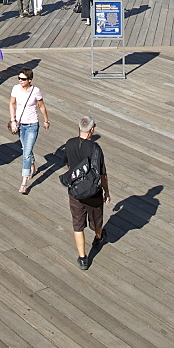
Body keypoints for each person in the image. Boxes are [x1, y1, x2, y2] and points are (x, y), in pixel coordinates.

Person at [63, 116, 110, 270]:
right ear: (92, 130)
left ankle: (83, 258)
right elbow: (102, 173)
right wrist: (106, 192)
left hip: (75, 191)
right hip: (93, 191)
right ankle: (98, 238)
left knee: (77, 224)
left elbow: (69, 165)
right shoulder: (95, 148)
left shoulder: (70, 144)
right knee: (97, 218)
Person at [9, 68, 50, 193]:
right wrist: (13, 121)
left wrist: (46, 120)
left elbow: (41, 106)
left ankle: (24, 182)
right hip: (20, 124)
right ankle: (32, 163)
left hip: (32, 124)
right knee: (26, 148)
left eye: (23, 79)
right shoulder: (15, 89)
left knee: (25, 154)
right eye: (19, 78)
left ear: (30, 80)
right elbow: (12, 103)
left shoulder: (35, 91)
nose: (20, 81)